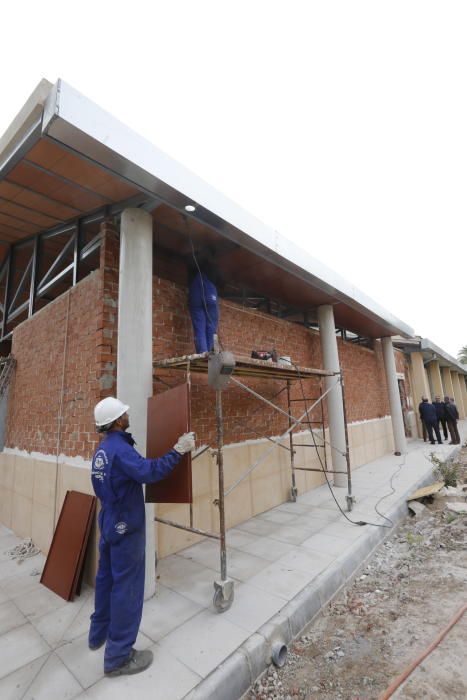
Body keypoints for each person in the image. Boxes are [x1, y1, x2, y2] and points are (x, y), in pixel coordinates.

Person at [88, 396, 195, 677]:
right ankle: (119, 656)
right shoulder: (120, 451)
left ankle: (98, 634)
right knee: (128, 588)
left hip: (110, 521)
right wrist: (178, 450)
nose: (127, 415)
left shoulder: (103, 450)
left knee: (106, 578)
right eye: (124, 413)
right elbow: (149, 472)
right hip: (126, 526)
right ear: (116, 422)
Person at [188, 261, 219, 353]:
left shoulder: (195, 279)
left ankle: (203, 353)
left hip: (196, 294)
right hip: (211, 295)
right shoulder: (211, 280)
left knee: (199, 327)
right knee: (211, 328)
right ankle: (208, 353)